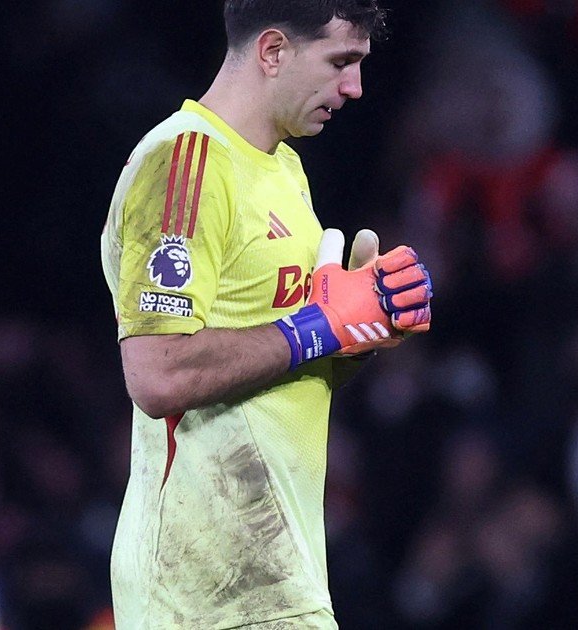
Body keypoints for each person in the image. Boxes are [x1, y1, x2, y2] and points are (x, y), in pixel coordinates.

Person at [99, 1, 433, 627]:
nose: (355, 88)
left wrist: (360, 330)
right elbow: (157, 372)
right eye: (341, 62)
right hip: (203, 589)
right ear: (273, 51)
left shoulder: (284, 169)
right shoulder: (184, 164)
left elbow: (278, 370)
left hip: (271, 577)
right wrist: (318, 327)